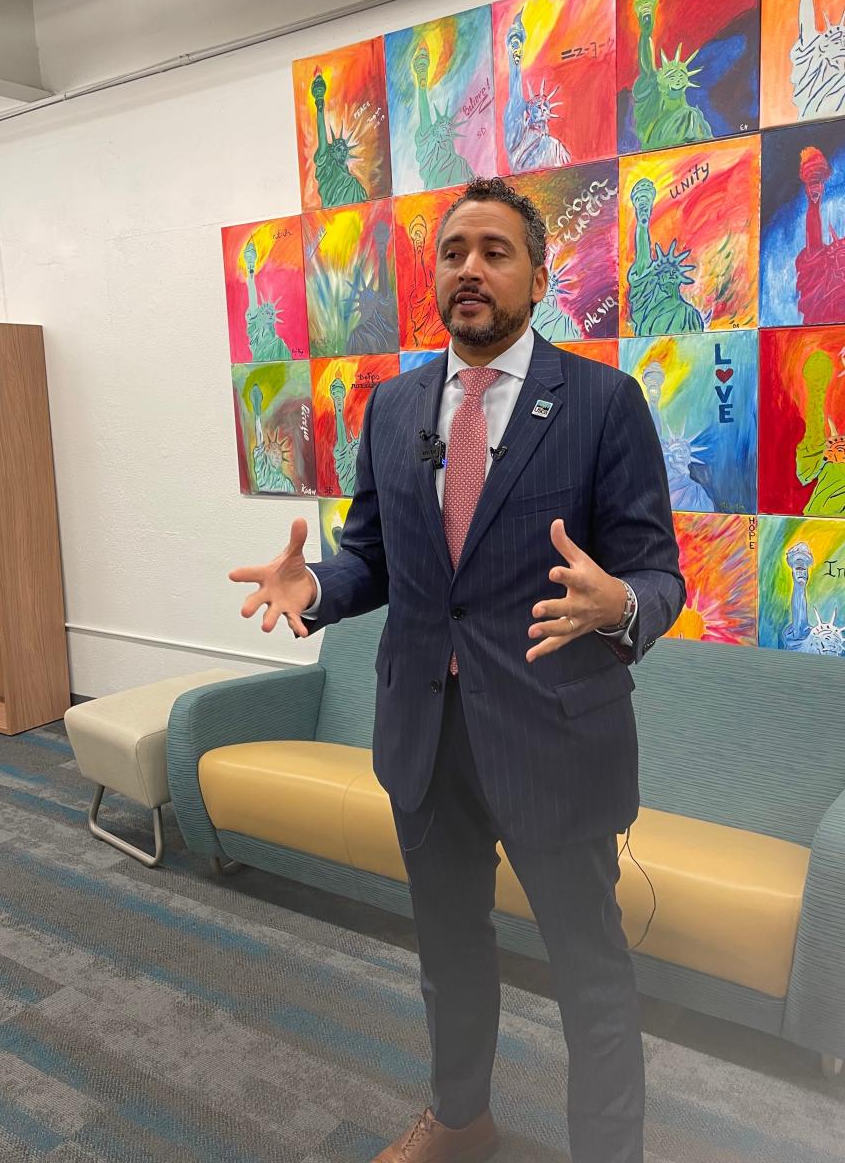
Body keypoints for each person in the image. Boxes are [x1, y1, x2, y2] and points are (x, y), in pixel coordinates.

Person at [230, 176, 685, 1163]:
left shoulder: (603, 402)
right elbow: (374, 559)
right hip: (424, 735)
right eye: (453, 251)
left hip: (556, 736)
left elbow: (659, 572)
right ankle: (462, 1115)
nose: (470, 268)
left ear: (538, 273)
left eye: (494, 250)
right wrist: (318, 588)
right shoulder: (393, 407)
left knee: (590, 970)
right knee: (448, 950)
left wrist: (628, 605)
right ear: (433, 274)